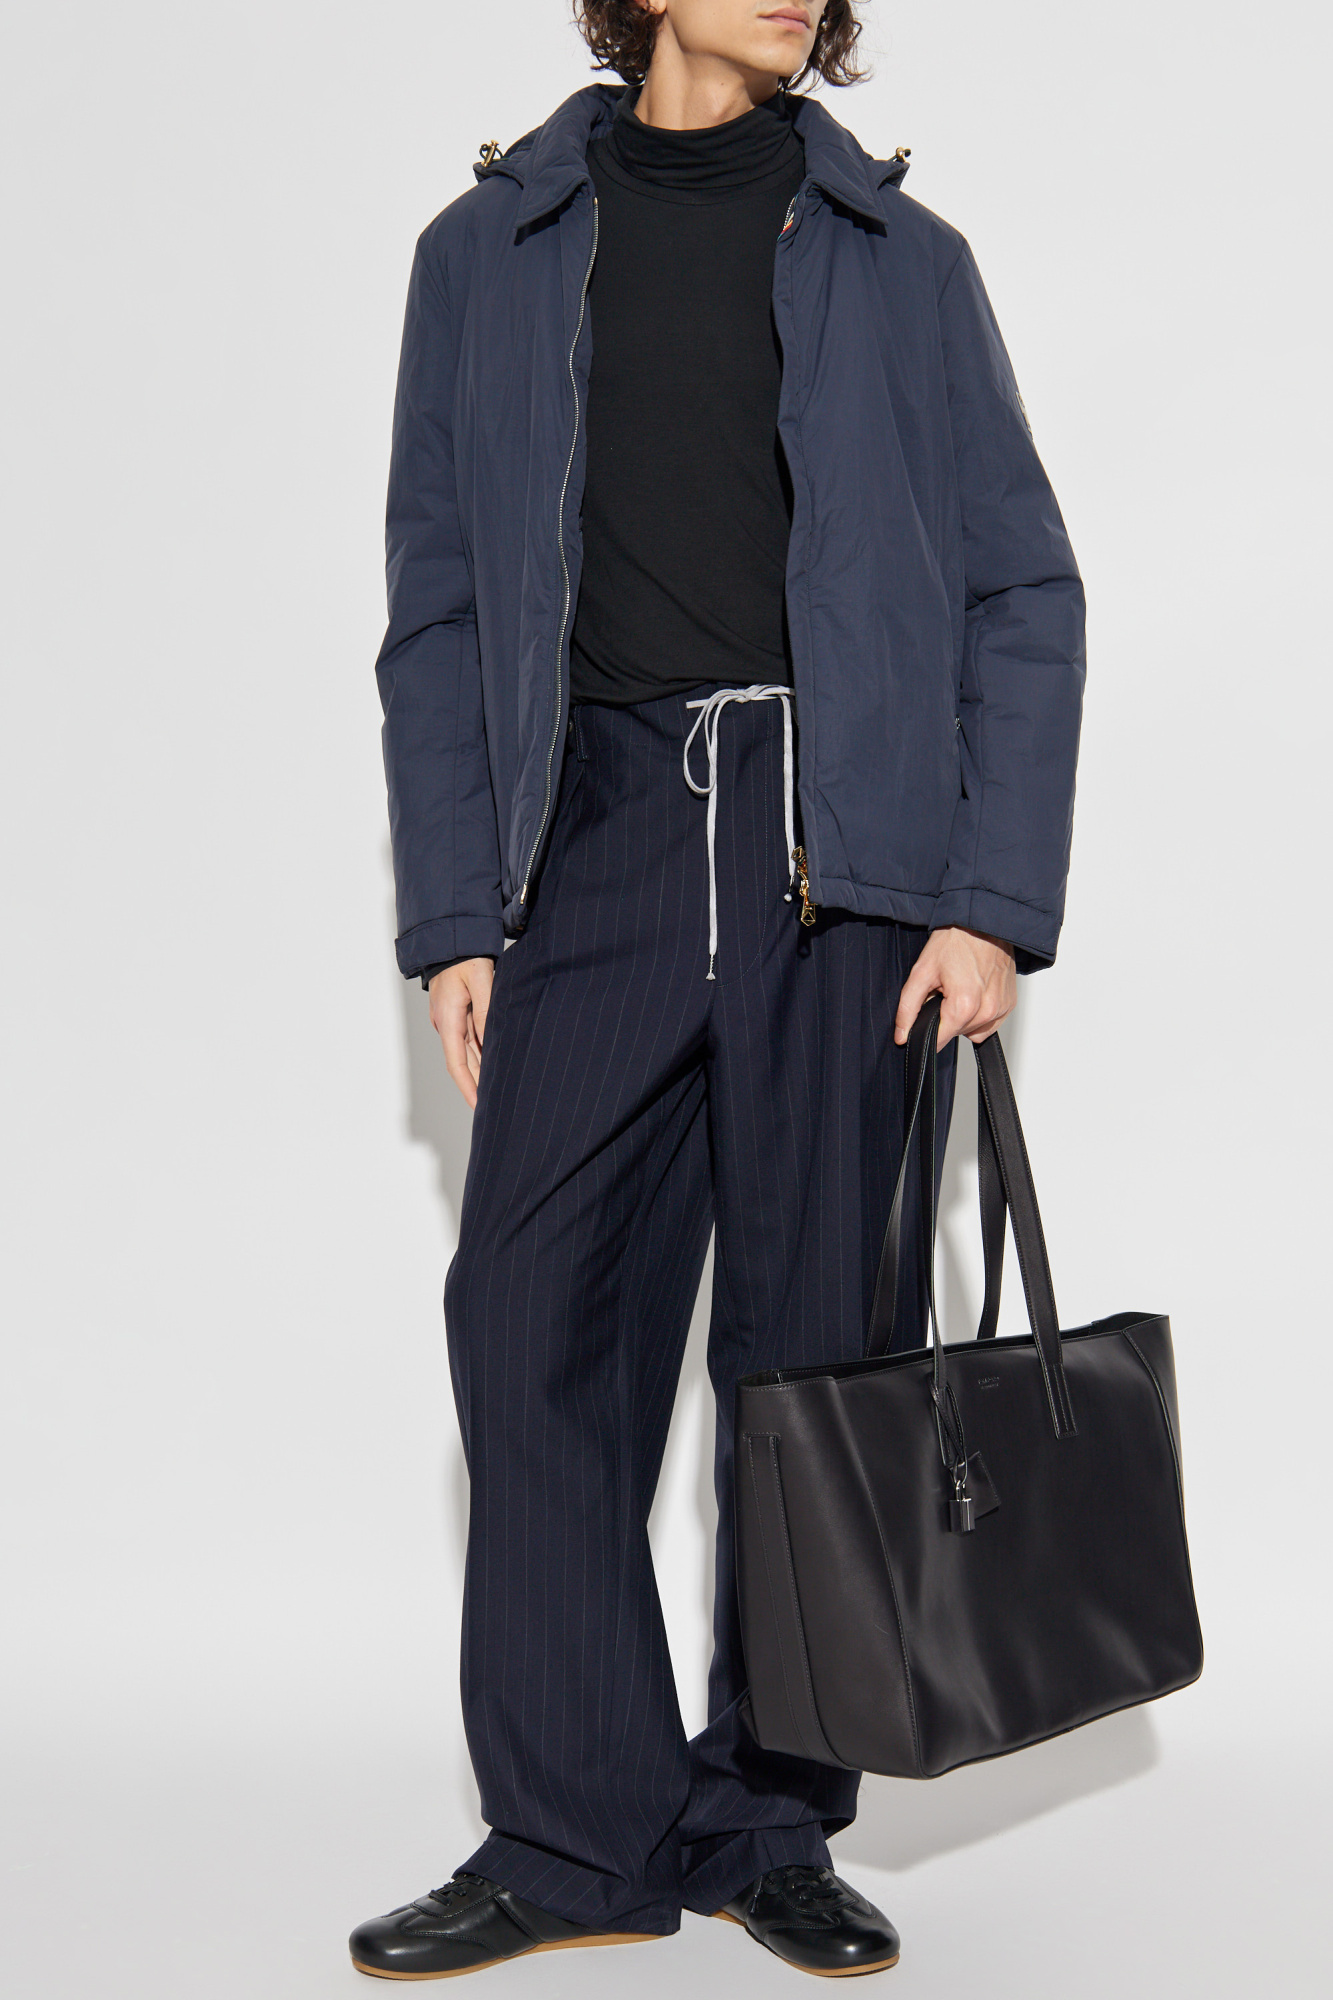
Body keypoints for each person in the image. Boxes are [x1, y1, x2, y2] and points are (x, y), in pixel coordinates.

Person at [350, 0, 1084, 1981]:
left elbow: (1021, 586)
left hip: (836, 863)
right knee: (528, 1325)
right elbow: (437, 607)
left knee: (808, 1363)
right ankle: (575, 1834)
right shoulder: (487, 251)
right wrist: (455, 911)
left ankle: (769, 1817)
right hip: (588, 834)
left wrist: (986, 902)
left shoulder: (899, 260)